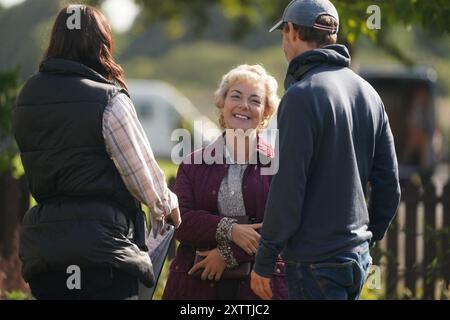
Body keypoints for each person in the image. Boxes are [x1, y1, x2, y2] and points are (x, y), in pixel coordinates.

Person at [12, 5, 180, 300]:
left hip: (45, 248)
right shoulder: (108, 98)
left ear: (55, 40)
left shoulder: (27, 96)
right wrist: (167, 207)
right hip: (104, 251)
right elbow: (144, 180)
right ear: (102, 43)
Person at [251, 0, 401, 300]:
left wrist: (265, 260)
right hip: (356, 258)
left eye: (284, 33)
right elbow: (389, 187)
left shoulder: (300, 96)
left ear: (292, 31)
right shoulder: (369, 93)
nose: (284, 43)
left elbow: (288, 187)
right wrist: (364, 240)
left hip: (314, 262)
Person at [162, 65, 288, 300]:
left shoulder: (280, 167)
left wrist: (228, 255)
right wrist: (230, 230)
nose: (244, 105)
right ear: (222, 102)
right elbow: (183, 222)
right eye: (236, 96)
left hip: (258, 290)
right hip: (195, 288)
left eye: (255, 100)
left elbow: (282, 226)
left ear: (266, 112)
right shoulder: (191, 165)